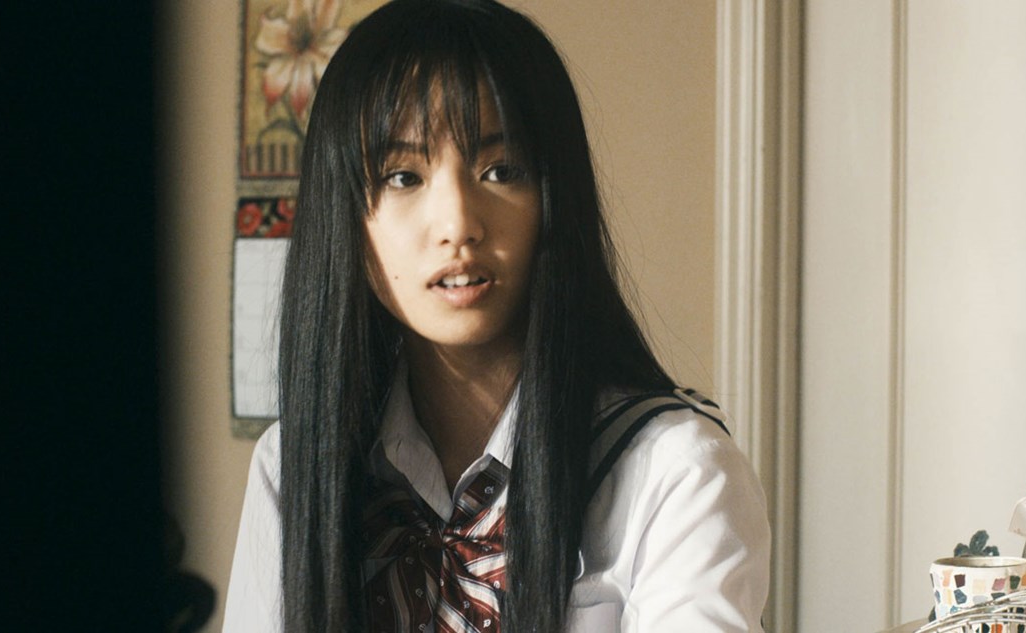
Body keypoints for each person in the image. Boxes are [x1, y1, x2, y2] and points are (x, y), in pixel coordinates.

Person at [223, 1, 770, 631]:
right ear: (343, 215)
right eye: (403, 177)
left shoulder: (674, 471)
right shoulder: (294, 465)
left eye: (500, 170)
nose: (458, 224)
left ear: (554, 197)